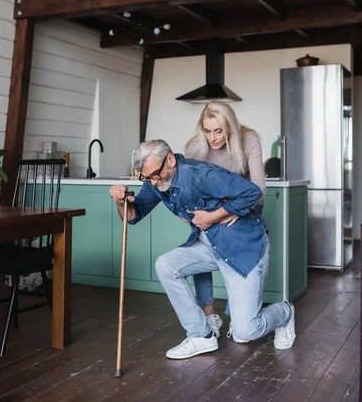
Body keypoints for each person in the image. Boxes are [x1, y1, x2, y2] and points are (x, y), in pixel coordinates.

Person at [110, 140, 295, 360]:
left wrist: (213, 216)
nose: (153, 181)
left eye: (155, 174)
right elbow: (133, 216)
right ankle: (201, 336)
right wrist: (121, 202)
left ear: (170, 159)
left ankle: (285, 312)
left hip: (241, 247)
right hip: (208, 245)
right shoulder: (156, 182)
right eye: (147, 177)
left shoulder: (200, 174)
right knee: (166, 265)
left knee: (245, 332)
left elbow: (252, 192)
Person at [184, 101, 266, 339]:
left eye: (218, 131)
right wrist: (196, 217)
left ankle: (236, 316)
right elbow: (190, 191)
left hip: (243, 211)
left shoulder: (249, 139)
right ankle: (210, 315)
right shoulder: (194, 147)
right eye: (207, 131)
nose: (212, 138)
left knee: (236, 261)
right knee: (198, 249)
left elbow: (259, 190)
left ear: (230, 127)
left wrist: (230, 211)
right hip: (208, 213)